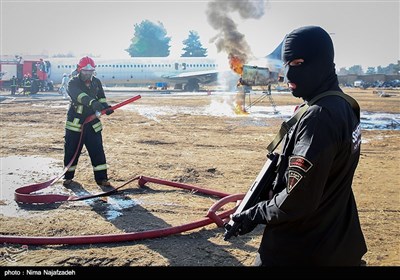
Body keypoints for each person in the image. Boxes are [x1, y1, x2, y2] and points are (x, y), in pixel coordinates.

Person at [231, 26, 367, 266]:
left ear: (321, 61)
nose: (288, 75)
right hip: (336, 240)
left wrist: (255, 213)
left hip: (302, 249)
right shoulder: (345, 105)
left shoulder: (319, 117)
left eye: (297, 63)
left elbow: (298, 201)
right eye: (287, 65)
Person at [63, 56, 114, 188]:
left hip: (93, 124)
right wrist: (92, 103)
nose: (88, 73)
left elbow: (101, 98)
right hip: (76, 125)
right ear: (79, 69)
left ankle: (102, 179)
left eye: (90, 71)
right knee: (71, 151)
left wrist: (105, 107)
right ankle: (68, 177)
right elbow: (79, 96)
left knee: (97, 151)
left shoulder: (96, 82)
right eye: (85, 70)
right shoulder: (73, 82)